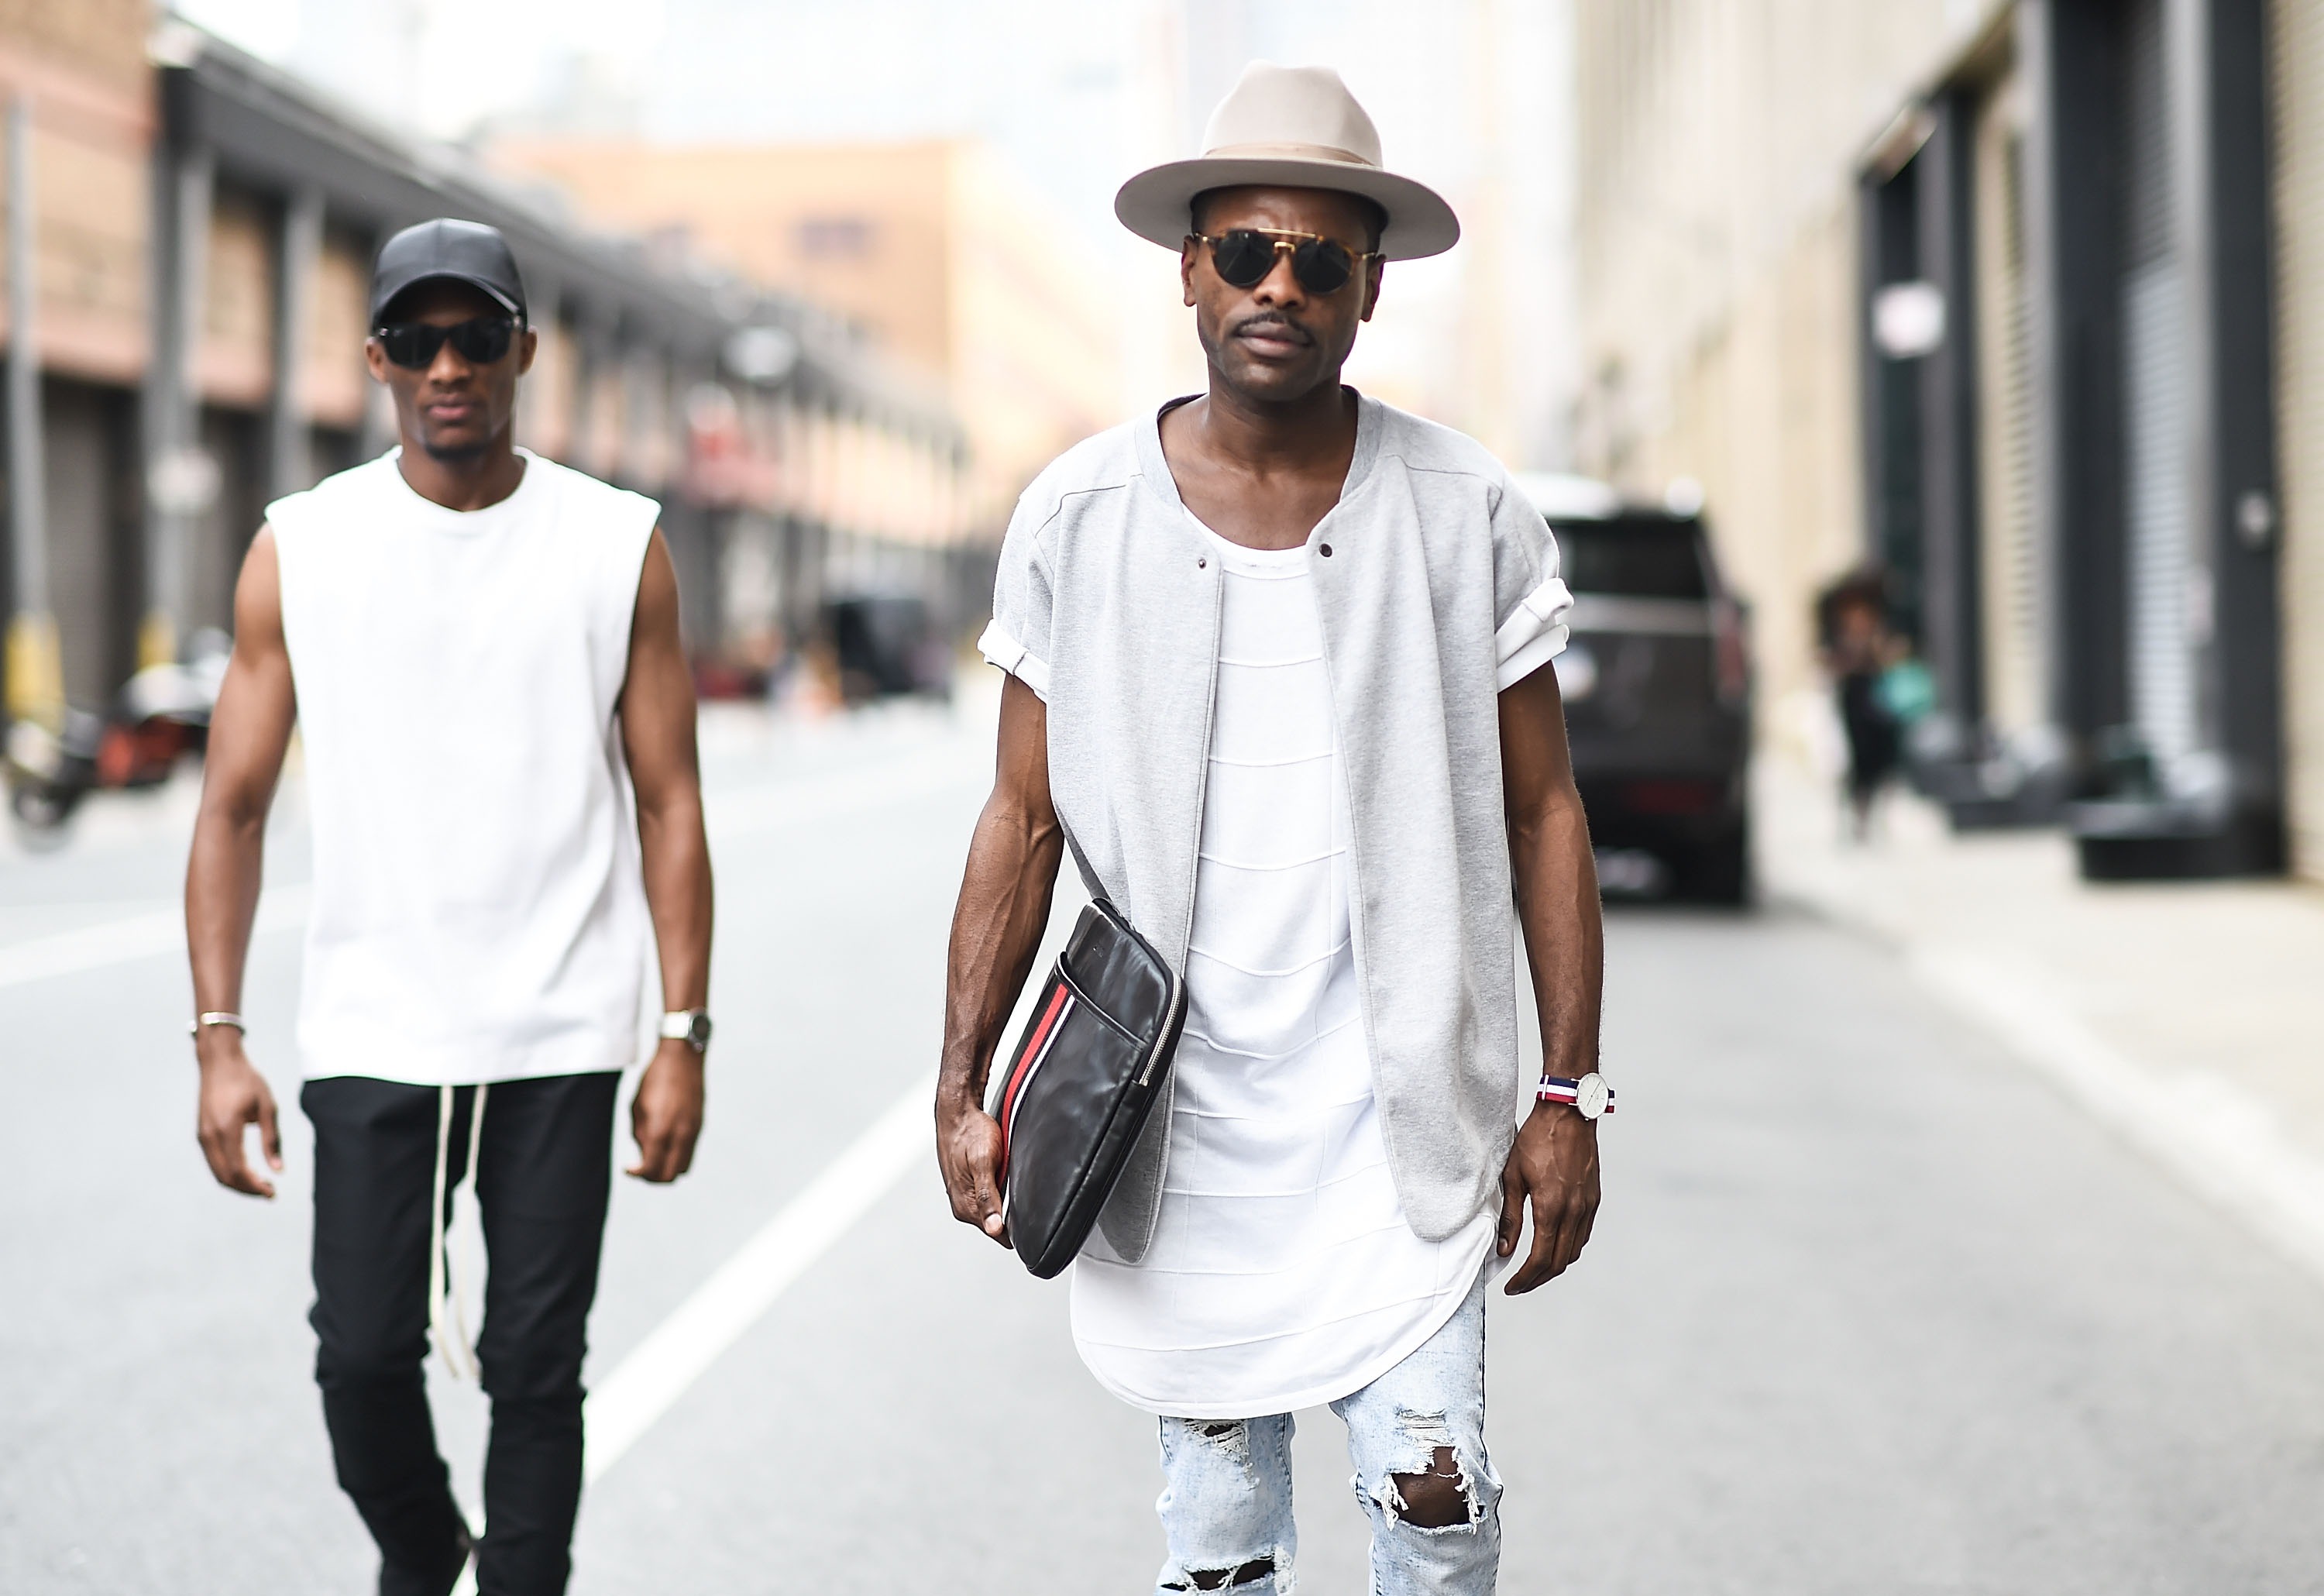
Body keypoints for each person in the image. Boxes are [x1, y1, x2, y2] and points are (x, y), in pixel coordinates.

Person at [935, 64, 1608, 1595]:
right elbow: (1022, 816)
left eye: (1322, 260)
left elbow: (1544, 806)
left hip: (1404, 1144)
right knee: (1221, 1556)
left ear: (1370, 291)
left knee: (1441, 1519)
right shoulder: (1077, 517)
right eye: (1247, 250)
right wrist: (961, 1080)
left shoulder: (1466, 509)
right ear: (1190, 269)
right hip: (1177, 1147)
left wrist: (1568, 1088)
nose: (1280, 286)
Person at [184, 218, 714, 1596]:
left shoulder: (619, 545)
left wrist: (683, 1032)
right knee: (361, 1361)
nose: (448, 366)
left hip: (561, 1033)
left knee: (540, 1377)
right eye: (416, 341)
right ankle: (427, 1560)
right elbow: (230, 808)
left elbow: (671, 803)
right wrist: (218, 1037)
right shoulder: (302, 547)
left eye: (476, 336)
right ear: (376, 360)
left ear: (524, 351)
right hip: (373, 1026)